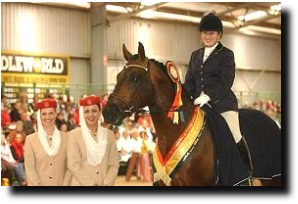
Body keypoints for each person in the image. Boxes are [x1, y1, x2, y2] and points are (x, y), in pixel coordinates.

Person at [184, 13, 253, 184]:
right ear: (201, 34)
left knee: (234, 133)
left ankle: (246, 173)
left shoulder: (226, 54)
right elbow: (189, 81)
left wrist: (208, 96)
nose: (208, 36)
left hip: (222, 104)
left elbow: (226, 81)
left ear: (219, 35)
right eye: (205, 33)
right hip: (198, 105)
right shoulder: (195, 54)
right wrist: (187, 99)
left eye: (212, 33)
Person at [67, 95, 119, 186]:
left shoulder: (109, 135)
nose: (91, 115)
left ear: (100, 112)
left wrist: (107, 183)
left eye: (94, 111)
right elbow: (73, 165)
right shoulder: (74, 135)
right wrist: (91, 184)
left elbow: (114, 164)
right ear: (82, 114)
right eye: (87, 111)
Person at [24, 98, 70, 186]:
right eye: (44, 114)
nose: (48, 117)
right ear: (39, 116)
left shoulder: (67, 138)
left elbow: (70, 167)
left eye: (51, 113)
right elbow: (30, 170)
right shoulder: (31, 140)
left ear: (56, 114)